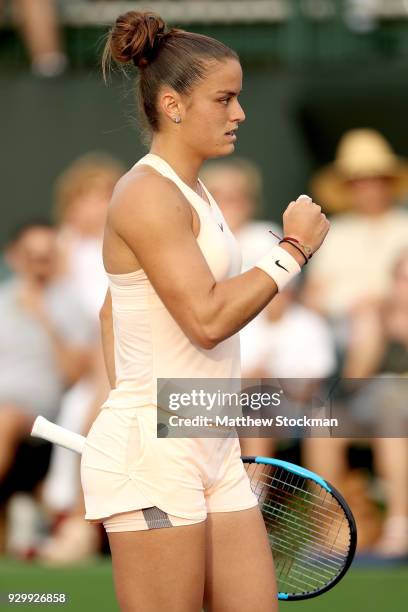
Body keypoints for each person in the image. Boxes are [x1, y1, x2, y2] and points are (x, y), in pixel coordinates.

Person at [80, 10, 329, 611]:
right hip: (156, 454)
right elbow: (208, 319)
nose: (239, 113)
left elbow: (113, 313)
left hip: (205, 441)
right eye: (225, 98)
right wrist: (291, 251)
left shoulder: (194, 191)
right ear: (173, 104)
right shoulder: (145, 194)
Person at [0, 221, 93, 555]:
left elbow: (74, 374)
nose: (39, 265)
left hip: (39, 413)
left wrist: (45, 319)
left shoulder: (71, 306)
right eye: (31, 257)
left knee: (5, 419)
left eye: (47, 257)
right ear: (14, 258)